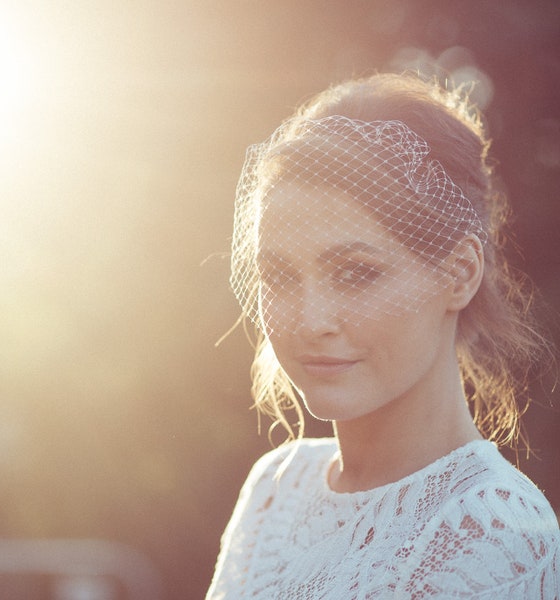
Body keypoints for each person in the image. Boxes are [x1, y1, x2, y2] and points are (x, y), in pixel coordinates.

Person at [206, 72, 559, 599]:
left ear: (460, 273)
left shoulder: (490, 531)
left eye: (355, 273)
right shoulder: (276, 489)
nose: (311, 320)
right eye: (279, 276)